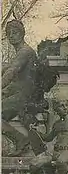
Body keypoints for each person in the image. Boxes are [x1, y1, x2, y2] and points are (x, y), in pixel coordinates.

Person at [2, 20, 37, 155]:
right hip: (18, 93)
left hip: (25, 95)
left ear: (22, 34)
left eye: (15, 32)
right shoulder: (20, 53)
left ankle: (21, 139)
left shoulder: (25, 51)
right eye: (8, 33)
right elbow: (7, 68)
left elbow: (11, 72)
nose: (11, 36)